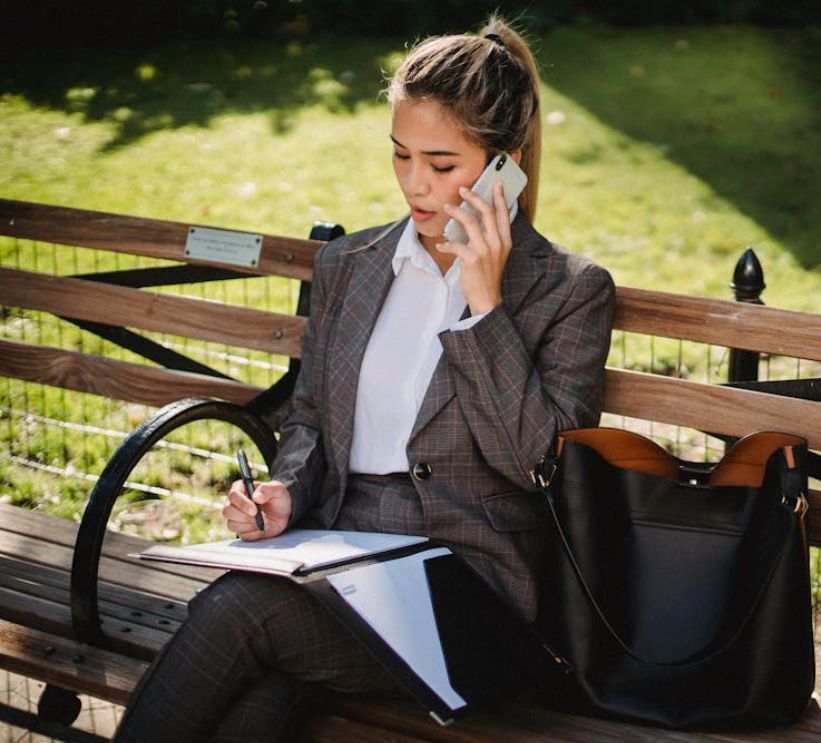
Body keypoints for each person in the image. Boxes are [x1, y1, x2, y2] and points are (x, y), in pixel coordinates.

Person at [114, 16, 615, 742]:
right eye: (401, 155)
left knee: (238, 611)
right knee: (262, 688)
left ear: (505, 165)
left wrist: (484, 304)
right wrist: (287, 491)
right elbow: (312, 418)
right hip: (333, 567)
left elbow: (540, 467)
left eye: (443, 165)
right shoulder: (350, 266)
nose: (416, 183)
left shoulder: (567, 289)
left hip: (469, 599)